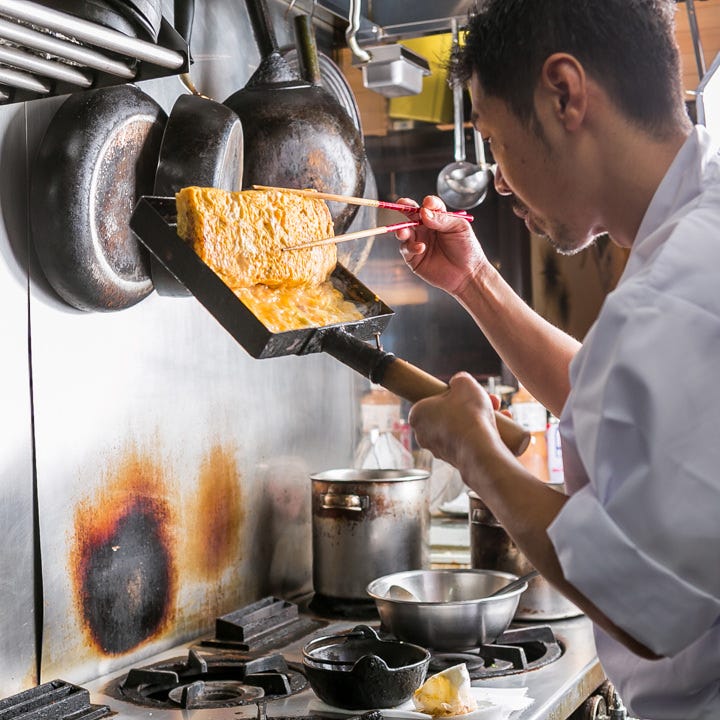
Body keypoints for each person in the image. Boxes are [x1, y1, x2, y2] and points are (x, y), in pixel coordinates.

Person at [394, 2, 720, 718]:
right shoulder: (697, 234)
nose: (501, 181)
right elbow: (625, 401)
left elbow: (643, 600)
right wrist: (475, 282)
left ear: (564, 95)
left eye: (494, 140)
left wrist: (477, 454)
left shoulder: (679, 292)